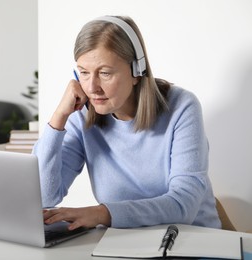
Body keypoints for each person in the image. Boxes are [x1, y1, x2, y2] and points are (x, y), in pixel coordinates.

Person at [33, 15, 221, 231]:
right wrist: (58, 118)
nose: (92, 87)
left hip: (194, 242)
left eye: (104, 73)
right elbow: (43, 196)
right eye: (83, 73)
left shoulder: (181, 107)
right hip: (123, 243)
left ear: (137, 72)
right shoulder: (81, 113)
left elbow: (183, 206)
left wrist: (102, 213)